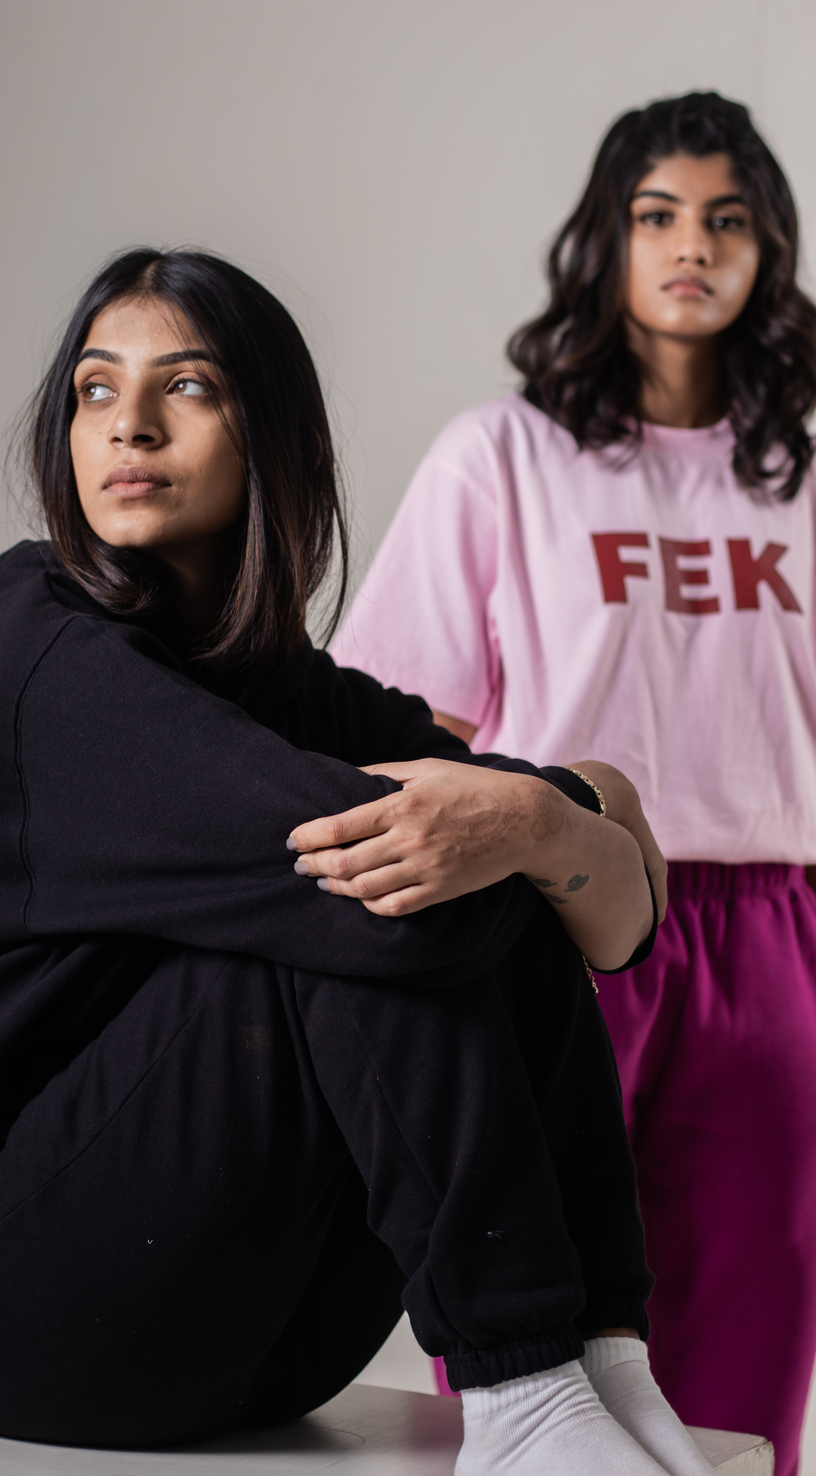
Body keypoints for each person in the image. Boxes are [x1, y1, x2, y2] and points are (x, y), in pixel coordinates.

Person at [0, 247, 702, 1476]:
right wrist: (567, 816)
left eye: (186, 386)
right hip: (5, 1299)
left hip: (273, 1324)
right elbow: (441, 896)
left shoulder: (297, 691)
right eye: (95, 389)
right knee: (366, 885)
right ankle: (522, 1396)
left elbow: (617, 927)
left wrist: (547, 822)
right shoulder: (39, 653)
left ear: (273, 437)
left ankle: (602, 1358)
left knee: (458, 854)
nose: (128, 424)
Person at [330, 92, 816, 1476]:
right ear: (607, 237)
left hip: (769, 931)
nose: (692, 246)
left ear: (769, 248)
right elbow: (401, 723)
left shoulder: (802, 475)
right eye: (658, 214)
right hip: (554, 915)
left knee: (750, 1355)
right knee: (532, 1345)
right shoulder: (505, 453)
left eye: (727, 218)